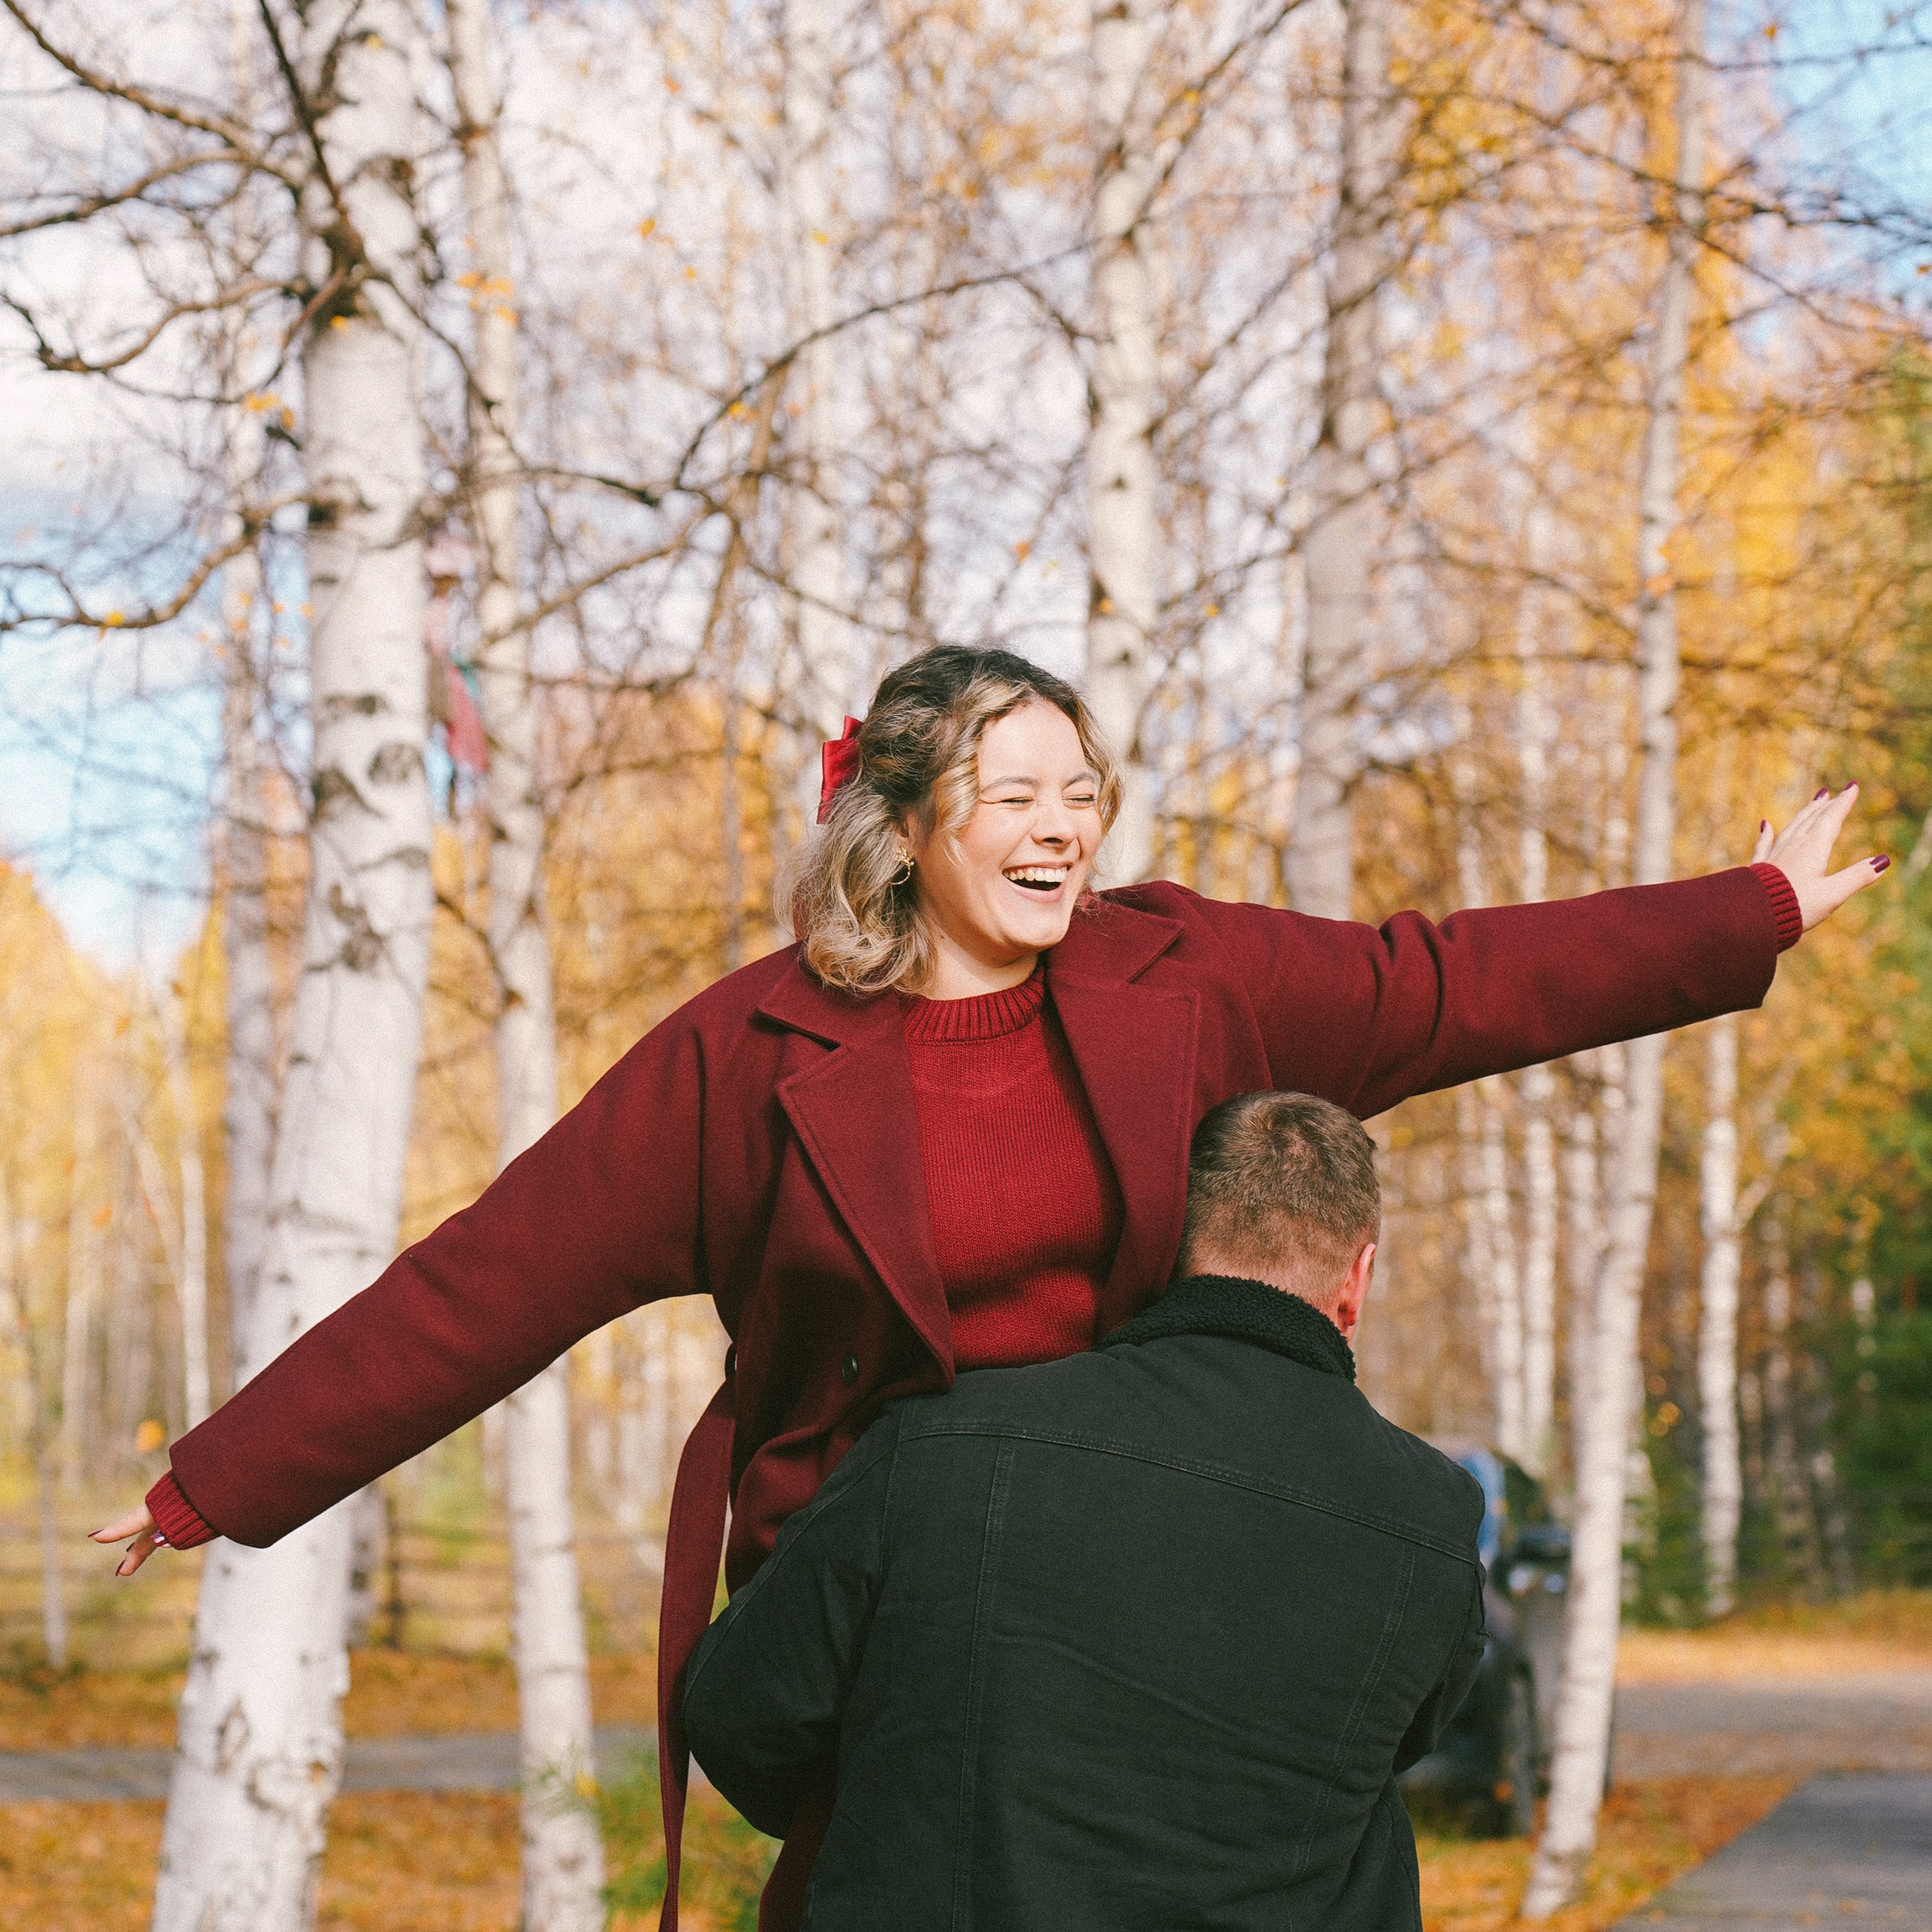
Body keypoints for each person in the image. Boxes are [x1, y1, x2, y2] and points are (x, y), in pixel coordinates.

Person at [94, 643, 1882, 1927]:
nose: (1060, 824)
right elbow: (492, 1275)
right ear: (904, 819)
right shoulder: (747, 1055)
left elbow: (1452, 983)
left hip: (1129, 1593)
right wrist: (217, 1477)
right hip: (881, 1623)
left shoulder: (1184, 973)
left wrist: (1748, 911)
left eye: (1078, 792)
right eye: (1013, 790)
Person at [681, 1091, 1481, 1931]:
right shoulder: (1434, 1521)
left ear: (1172, 1237)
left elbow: (739, 1710)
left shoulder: (939, 1440)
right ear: (1357, 1276)